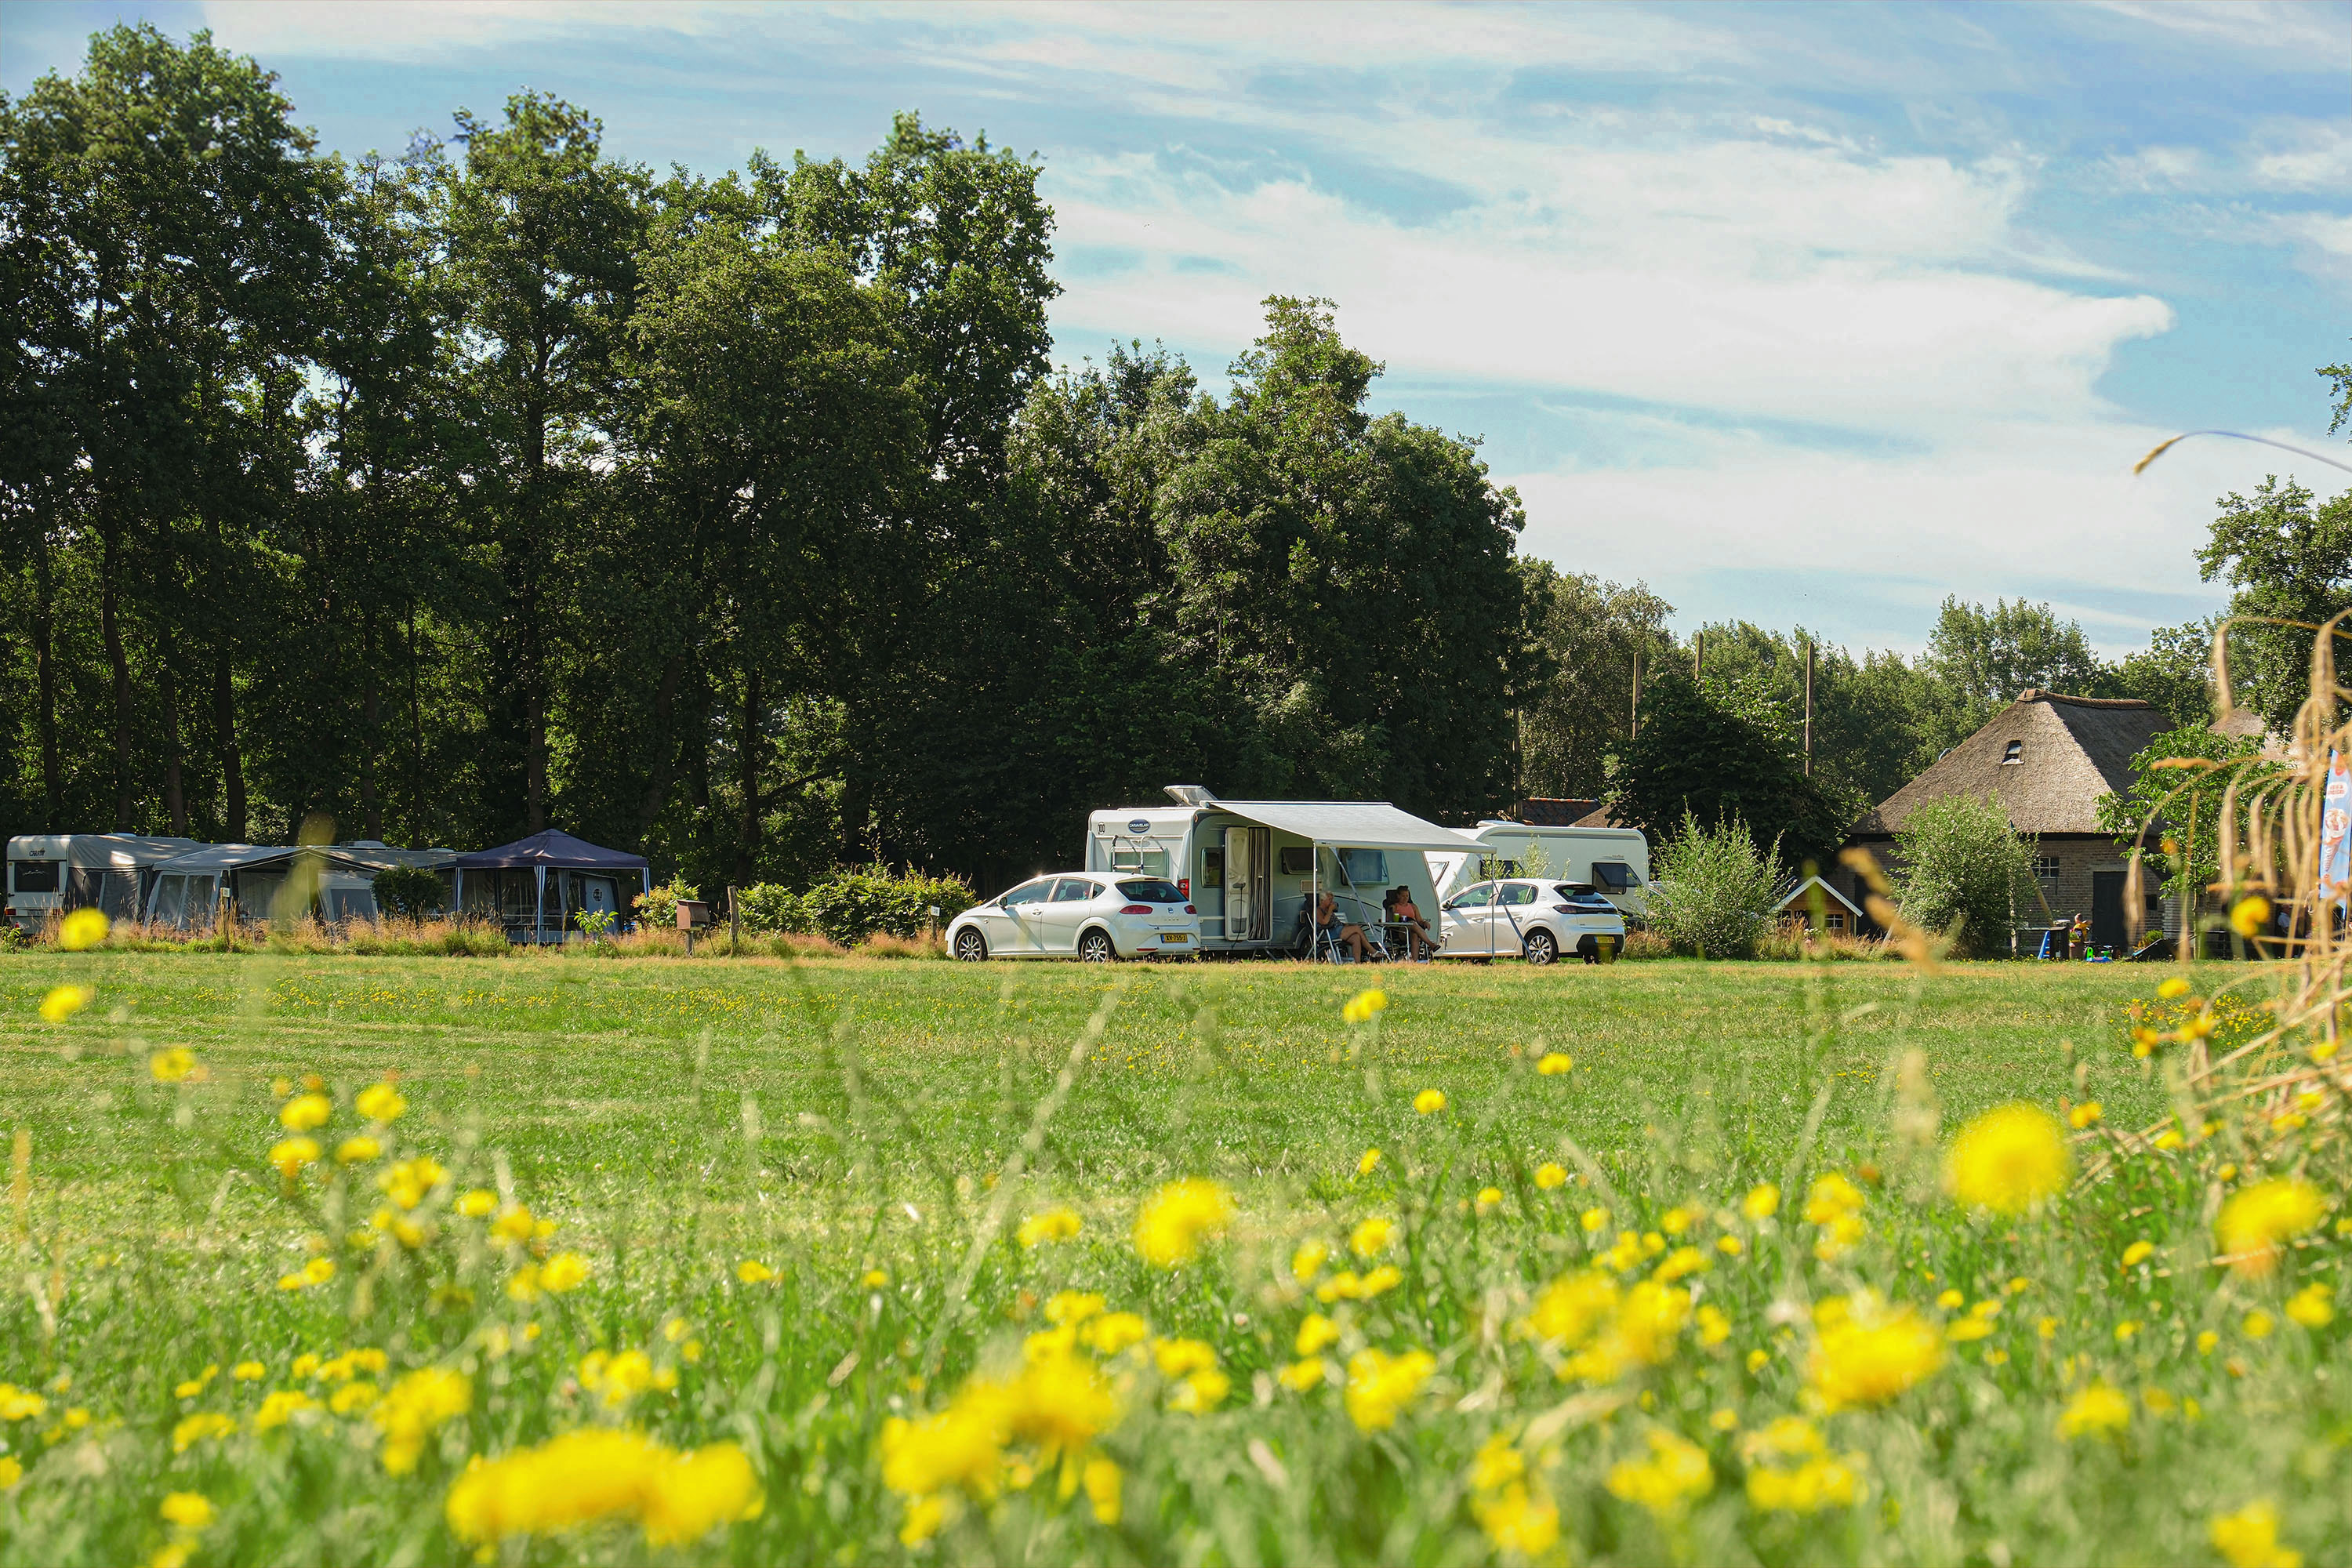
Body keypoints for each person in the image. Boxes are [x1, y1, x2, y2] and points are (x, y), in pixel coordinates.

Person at [1314, 890, 1370, 962]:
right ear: (1322, 900)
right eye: (1329, 899)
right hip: (1327, 934)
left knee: (1356, 937)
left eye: (1332, 899)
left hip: (1336, 931)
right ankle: (1371, 951)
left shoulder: (1327, 910)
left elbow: (1336, 922)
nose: (1332, 902)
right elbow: (1324, 922)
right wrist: (1330, 910)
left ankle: (1357, 962)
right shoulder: (1318, 910)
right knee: (1357, 928)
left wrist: (1345, 925)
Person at [1386, 884, 1434, 960]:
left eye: (1407, 896)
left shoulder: (1413, 907)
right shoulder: (1394, 907)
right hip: (1400, 931)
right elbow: (1388, 921)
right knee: (1412, 924)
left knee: (1414, 935)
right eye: (1403, 896)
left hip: (1412, 930)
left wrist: (1425, 923)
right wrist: (1391, 912)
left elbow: (1420, 921)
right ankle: (1430, 944)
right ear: (1398, 896)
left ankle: (1414, 962)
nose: (1405, 898)